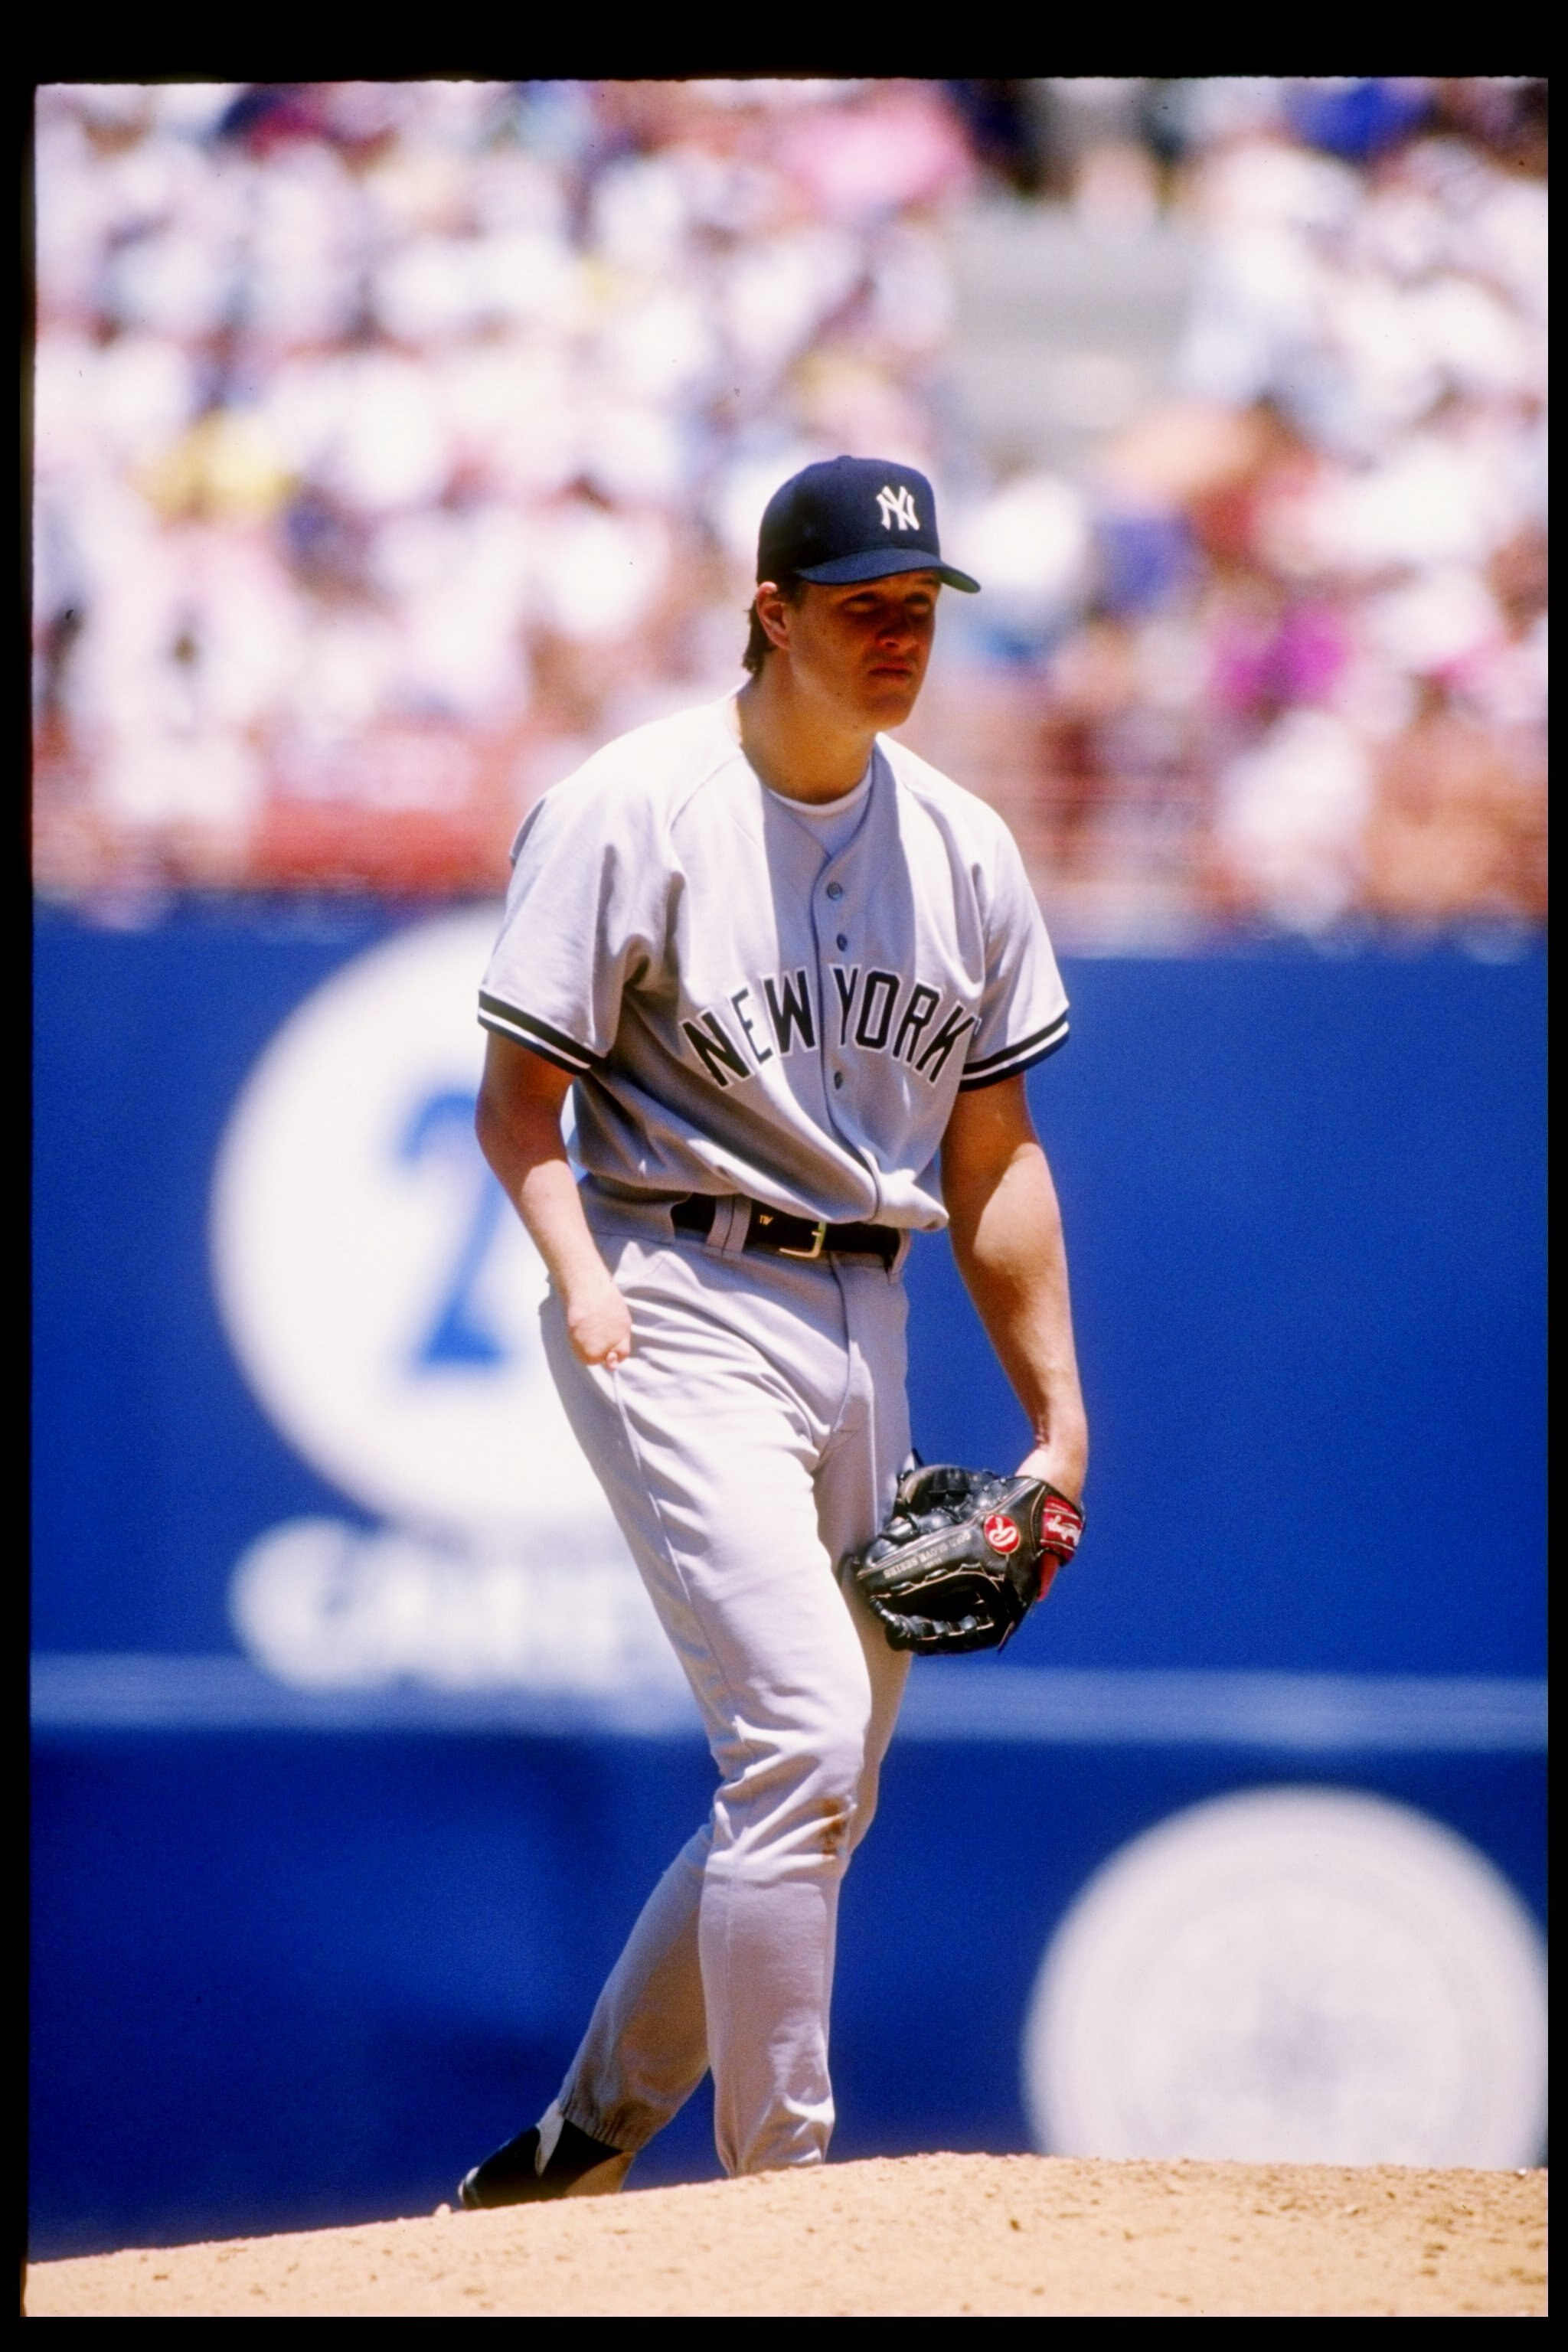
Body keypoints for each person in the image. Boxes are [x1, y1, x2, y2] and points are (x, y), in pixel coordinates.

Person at [460, 455, 1088, 2203]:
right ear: (771, 613)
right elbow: (517, 1108)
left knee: (823, 1784)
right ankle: (784, 2203)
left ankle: (577, 2144)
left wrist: (1059, 1416)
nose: (899, 638)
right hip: (669, 1279)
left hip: (860, 1310)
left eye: (919, 609)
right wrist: (580, 1274)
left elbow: (993, 1157)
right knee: (803, 1737)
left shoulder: (961, 844)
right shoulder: (627, 807)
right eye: (863, 605)